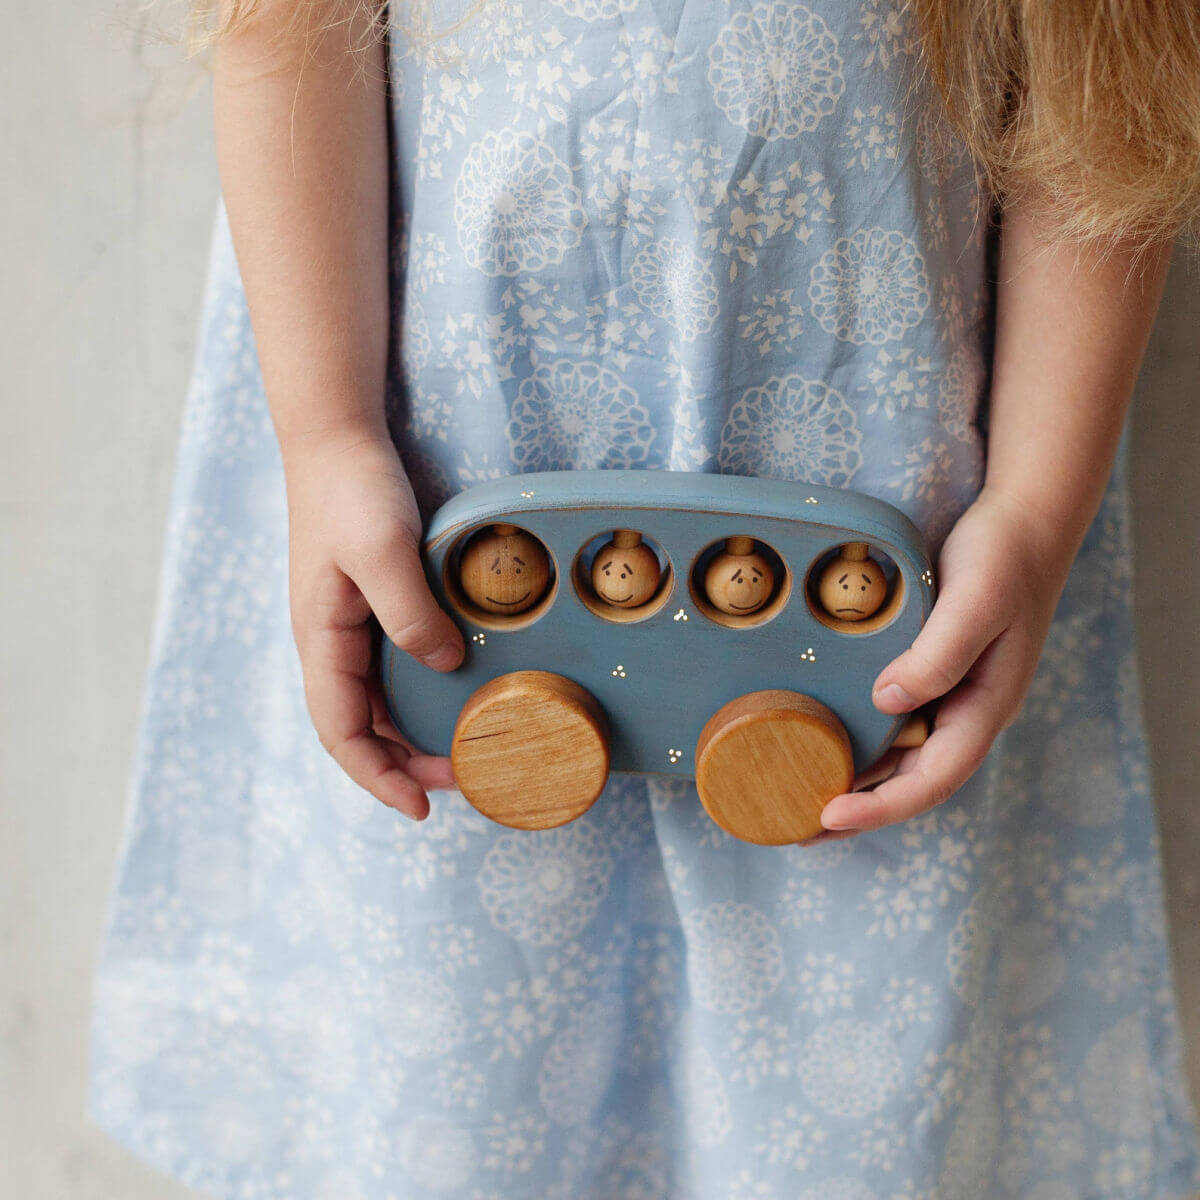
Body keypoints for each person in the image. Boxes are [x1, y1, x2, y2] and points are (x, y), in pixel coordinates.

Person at [89, 0, 1200, 1196]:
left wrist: (1033, 515)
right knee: (447, 1069)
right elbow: (279, 22)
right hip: (432, 516)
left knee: (840, 1083)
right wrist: (328, 434)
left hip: (890, 570)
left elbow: (1112, 90)